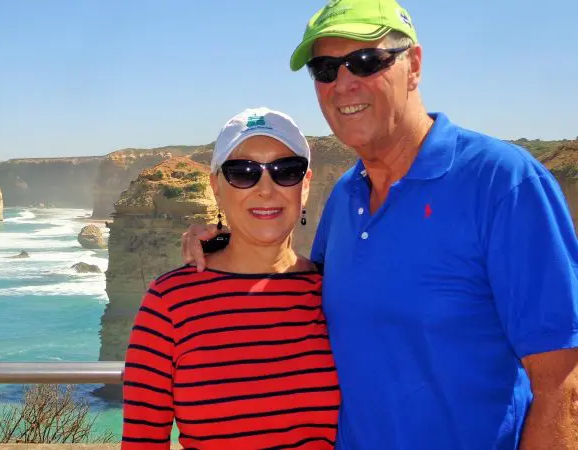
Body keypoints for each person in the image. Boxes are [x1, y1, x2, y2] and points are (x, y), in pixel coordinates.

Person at [181, 1, 578, 449]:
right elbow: (307, 287)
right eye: (325, 69)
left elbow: (562, 385)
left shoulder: (502, 182)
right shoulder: (347, 197)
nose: (344, 83)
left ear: (415, 66)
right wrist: (227, 242)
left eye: (366, 61)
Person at [122, 107, 341, 449]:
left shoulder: (334, 294)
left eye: (287, 171)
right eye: (243, 172)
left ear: (306, 185)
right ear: (216, 187)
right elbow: (142, 441)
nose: (266, 189)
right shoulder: (170, 302)